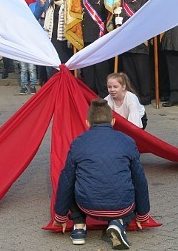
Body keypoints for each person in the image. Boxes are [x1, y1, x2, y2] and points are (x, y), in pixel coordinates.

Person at [53, 98, 150, 249]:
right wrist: (142, 214)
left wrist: (60, 216)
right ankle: (119, 223)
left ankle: (79, 227)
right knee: (132, 179)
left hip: (87, 206)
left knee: (71, 177)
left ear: (87, 123)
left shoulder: (78, 142)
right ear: (112, 122)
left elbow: (66, 180)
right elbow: (140, 180)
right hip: (121, 207)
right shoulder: (128, 141)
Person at [117, 0, 152, 105]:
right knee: (129, 69)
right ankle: (134, 94)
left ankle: (145, 96)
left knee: (141, 70)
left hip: (139, 37)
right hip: (126, 38)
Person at [80, 0, 110, 97]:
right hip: (85, 37)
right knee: (88, 70)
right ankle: (90, 95)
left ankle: (103, 96)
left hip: (99, 37)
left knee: (101, 69)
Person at [43, 0, 73, 66]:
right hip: (53, 38)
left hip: (64, 40)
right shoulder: (51, 6)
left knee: (64, 63)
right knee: (55, 64)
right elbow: (47, 24)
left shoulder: (67, 6)